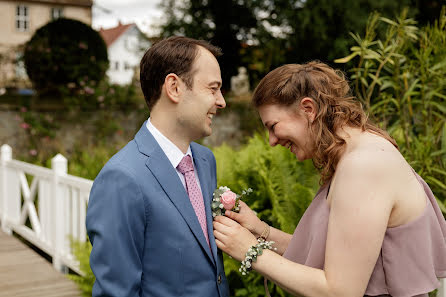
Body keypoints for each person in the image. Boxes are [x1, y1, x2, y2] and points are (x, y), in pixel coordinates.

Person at [213, 61, 446, 297]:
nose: (272, 140)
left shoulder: (363, 167)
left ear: (308, 109)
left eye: (273, 126)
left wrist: (251, 251)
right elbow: (343, 255)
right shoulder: (359, 151)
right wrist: (261, 230)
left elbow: (340, 291)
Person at [86, 36, 230, 297]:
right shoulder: (122, 178)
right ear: (174, 87)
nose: (221, 101)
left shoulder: (206, 160)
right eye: (213, 88)